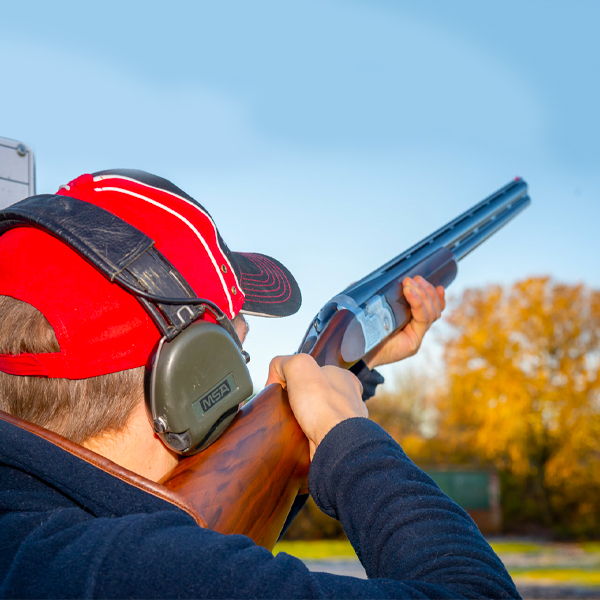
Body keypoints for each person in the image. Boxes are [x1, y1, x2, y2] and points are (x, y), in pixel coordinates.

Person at [0, 170, 519, 599]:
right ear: (190, 379)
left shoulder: (41, 543)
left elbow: (230, 505)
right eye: (237, 347)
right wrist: (351, 440)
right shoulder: (143, 573)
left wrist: (353, 370)